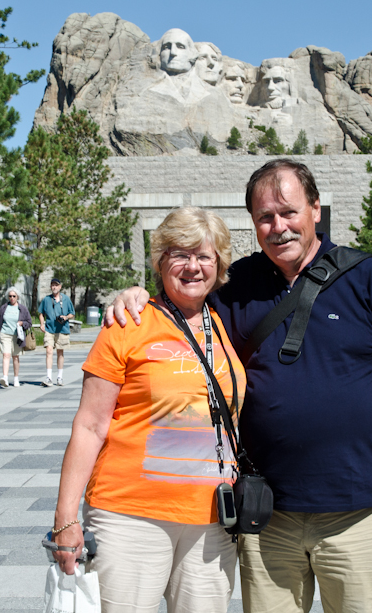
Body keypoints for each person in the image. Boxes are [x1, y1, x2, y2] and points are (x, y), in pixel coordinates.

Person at [109, 159, 372, 613]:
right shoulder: (236, 286)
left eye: (288, 212)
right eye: (265, 217)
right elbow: (180, 297)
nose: (278, 227)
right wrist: (135, 294)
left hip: (356, 511)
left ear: (315, 210)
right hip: (266, 514)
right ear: (253, 224)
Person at [53, 207, 246, 613]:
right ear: (160, 261)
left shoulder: (227, 321)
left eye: (204, 256)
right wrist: (66, 518)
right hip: (131, 514)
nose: (193, 266)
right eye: (180, 253)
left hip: (213, 518)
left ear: (219, 265)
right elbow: (89, 426)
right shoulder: (128, 322)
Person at [38, 278, 75, 386]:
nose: (54, 287)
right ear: (50, 287)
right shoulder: (46, 299)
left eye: (56, 285)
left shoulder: (66, 299)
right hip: (49, 329)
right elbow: (41, 313)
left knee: (60, 352)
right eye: (52, 285)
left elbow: (72, 313)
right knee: (49, 350)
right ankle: (49, 377)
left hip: (62, 329)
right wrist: (42, 323)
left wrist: (66, 317)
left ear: (60, 287)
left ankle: (59, 377)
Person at [0, 287, 31, 388]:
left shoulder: (22, 309)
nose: (12, 298)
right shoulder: (3, 308)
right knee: (6, 355)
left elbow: (29, 322)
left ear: (17, 297)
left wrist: (22, 323)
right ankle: (5, 378)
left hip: (17, 336)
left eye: (14, 296)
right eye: (10, 296)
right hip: (5, 334)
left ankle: (16, 378)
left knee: (15, 357)